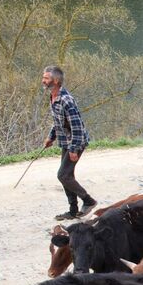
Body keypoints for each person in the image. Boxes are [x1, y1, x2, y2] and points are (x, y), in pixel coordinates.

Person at [41, 65, 97, 220]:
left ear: (56, 80)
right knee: (68, 175)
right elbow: (58, 121)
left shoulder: (66, 100)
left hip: (76, 141)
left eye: (46, 78)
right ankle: (73, 211)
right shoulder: (53, 96)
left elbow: (77, 126)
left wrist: (74, 149)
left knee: (63, 175)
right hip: (66, 141)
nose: (43, 81)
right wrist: (51, 137)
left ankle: (89, 201)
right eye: (43, 77)